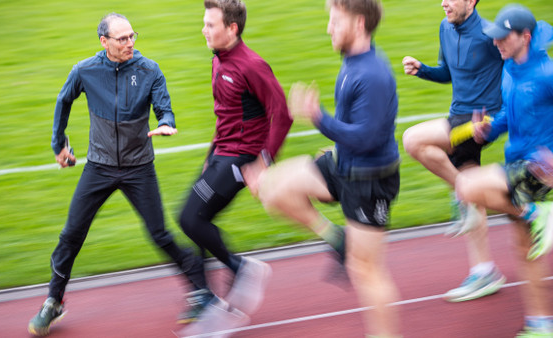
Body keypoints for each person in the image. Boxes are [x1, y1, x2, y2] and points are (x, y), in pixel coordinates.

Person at [27, 13, 206, 336]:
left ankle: (200, 289)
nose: (130, 43)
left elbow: (164, 107)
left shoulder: (149, 70)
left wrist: (166, 121)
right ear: (104, 42)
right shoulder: (85, 71)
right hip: (99, 166)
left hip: (139, 167)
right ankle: (53, 301)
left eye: (132, 36)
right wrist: (59, 144)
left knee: (160, 234)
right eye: (122, 39)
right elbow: (63, 99)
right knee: (71, 235)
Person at [251, 0, 402, 335]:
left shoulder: (373, 74)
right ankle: (337, 238)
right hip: (345, 163)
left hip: (370, 180)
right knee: (272, 187)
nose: (328, 28)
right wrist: (337, 143)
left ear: (359, 24)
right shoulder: (353, 60)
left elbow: (368, 137)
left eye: (335, 21)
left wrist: (319, 117)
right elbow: (359, 126)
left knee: (367, 271)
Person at [176, 0, 293, 336]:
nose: (204, 30)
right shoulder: (218, 60)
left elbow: (282, 114)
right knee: (193, 218)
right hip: (221, 156)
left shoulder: (252, 65)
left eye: (210, 25)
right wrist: (210, 154)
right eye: (204, 23)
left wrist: (263, 162)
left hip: (241, 159)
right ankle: (210, 297)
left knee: (189, 217)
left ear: (232, 28)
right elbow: (226, 115)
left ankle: (243, 269)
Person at [456, 5, 553, 336]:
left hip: (539, 171)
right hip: (516, 163)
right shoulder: (510, 70)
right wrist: (489, 130)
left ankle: (538, 210)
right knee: (524, 250)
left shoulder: (548, 74)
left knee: (468, 186)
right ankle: (541, 324)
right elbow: (512, 116)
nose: (496, 42)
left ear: (525, 37)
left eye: (503, 37)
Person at [401, 0, 506, 302]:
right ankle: (485, 270)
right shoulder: (445, 28)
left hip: (481, 121)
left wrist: (499, 121)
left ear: (471, 1)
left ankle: (462, 194)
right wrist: (423, 70)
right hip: (457, 115)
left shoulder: (490, 34)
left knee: (413, 139)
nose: (443, 2)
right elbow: (448, 72)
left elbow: (513, 73)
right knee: (472, 188)